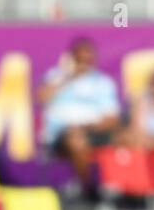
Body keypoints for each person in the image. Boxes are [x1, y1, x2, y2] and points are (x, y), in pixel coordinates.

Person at [37, 37, 121, 198]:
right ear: (70, 58)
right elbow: (42, 98)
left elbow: (112, 118)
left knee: (129, 138)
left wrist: (87, 127)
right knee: (76, 139)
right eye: (79, 59)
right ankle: (89, 189)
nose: (83, 63)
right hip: (61, 136)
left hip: (94, 131)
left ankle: (130, 192)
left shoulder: (103, 82)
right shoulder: (56, 77)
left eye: (87, 59)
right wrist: (68, 76)